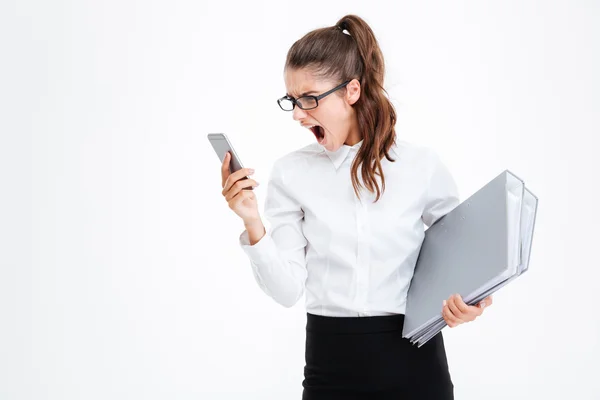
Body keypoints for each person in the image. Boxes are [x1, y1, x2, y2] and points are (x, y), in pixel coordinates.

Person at [219, 14, 493, 400]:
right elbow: (286, 291)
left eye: (309, 99)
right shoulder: (291, 174)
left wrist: (471, 302)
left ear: (352, 91)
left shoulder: (421, 167)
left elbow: (466, 262)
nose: (298, 114)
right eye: (292, 101)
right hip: (331, 368)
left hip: (416, 367)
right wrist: (251, 220)